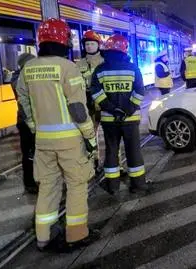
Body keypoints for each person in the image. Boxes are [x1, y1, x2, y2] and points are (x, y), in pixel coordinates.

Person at [16, 18, 99, 251]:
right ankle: (77, 234)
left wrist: (34, 128)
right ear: (65, 41)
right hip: (70, 141)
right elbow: (78, 109)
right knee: (76, 185)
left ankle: (43, 235)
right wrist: (90, 137)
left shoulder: (27, 69)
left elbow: (23, 106)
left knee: (48, 186)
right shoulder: (67, 67)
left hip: (43, 141)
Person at [90, 34, 148, 195]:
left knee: (111, 151)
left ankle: (112, 186)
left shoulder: (100, 70)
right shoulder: (133, 68)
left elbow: (95, 92)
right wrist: (128, 110)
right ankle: (138, 185)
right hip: (130, 119)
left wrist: (111, 108)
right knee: (133, 151)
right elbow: (140, 91)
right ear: (124, 50)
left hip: (109, 119)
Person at [77, 30, 104, 174]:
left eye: (92, 43)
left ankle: (116, 164)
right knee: (90, 136)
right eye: (87, 44)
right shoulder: (79, 63)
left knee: (111, 136)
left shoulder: (104, 61)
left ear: (98, 45)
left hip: (105, 104)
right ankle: (94, 161)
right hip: (89, 105)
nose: (89, 46)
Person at [11, 53, 37, 194]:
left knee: (36, 152)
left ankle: (36, 180)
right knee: (29, 153)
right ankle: (30, 183)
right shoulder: (19, 78)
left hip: (31, 119)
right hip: (26, 121)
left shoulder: (21, 75)